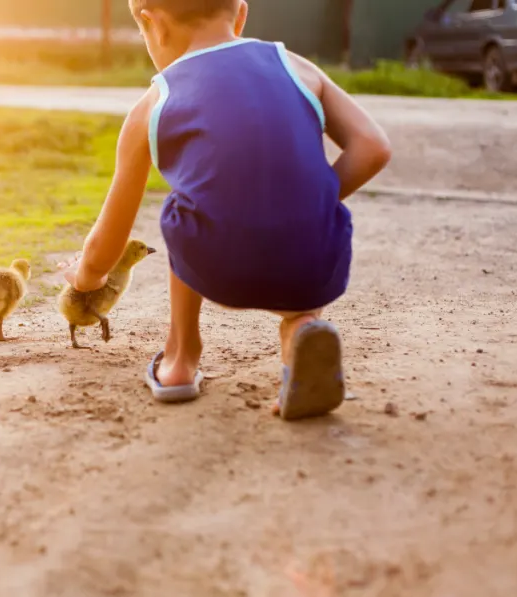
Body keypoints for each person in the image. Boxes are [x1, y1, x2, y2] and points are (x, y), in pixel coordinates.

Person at [63, 0, 392, 420]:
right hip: (316, 262)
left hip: (219, 266)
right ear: (240, 14)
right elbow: (373, 148)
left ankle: (180, 360)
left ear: (152, 24)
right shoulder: (294, 66)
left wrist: (87, 275)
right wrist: (308, 200)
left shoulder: (156, 100)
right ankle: (301, 329)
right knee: (299, 273)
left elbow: (110, 237)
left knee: (183, 209)